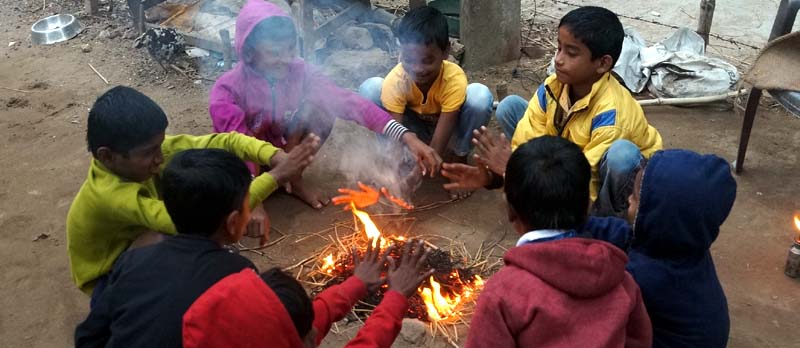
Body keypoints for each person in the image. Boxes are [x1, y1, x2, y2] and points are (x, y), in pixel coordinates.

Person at [66, 86, 316, 302]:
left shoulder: (145, 152)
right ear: (107, 156)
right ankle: (138, 303)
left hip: (136, 243)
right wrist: (275, 177)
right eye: (149, 153)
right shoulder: (109, 195)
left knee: (195, 238)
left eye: (160, 146)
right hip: (105, 280)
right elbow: (193, 223)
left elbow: (226, 142)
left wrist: (273, 156)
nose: (160, 158)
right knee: (189, 242)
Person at [464, 136, 652, 348]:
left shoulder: (504, 290)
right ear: (587, 206)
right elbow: (640, 345)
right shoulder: (618, 273)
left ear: (510, 212)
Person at [74, 149, 267, 348]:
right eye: (246, 206)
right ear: (232, 223)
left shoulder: (132, 260)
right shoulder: (239, 274)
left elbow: (87, 343)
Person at [209, 0, 440, 208]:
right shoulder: (227, 90)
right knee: (231, 155)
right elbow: (240, 143)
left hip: (283, 155)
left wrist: (407, 137)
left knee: (322, 110)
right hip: (244, 167)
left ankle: (293, 179)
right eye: (275, 53)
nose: (287, 59)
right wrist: (253, 201)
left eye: (291, 49)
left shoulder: (298, 70)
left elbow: (348, 102)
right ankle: (259, 188)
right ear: (248, 53)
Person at [442, 6, 662, 217]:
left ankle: (604, 221)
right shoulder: (552, 86)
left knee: (621, 156)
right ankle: (545, 193)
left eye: (571, 53)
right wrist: (505, 175)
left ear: (603, 63)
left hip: (617, 176)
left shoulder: (612, 114)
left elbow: (587, 177)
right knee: (510, 107)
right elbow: (527, 137)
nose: (558, 59)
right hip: (571, 152)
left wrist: (514, 173)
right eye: (559, 48)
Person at [182, 240, 434, 348]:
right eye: (306, 336)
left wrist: (354, 286)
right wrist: (396, 297)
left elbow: (286, 322)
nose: (316, 335)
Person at [584, 149, 735, 348]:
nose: (628, 202)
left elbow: (579, 285)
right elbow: (624, 232)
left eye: (633, 198)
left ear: (657, 214)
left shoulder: (645, 276)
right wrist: (580, 222)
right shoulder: (682, 243)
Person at [358, 6, 494, 166]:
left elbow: (439, 141)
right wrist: (394, 174)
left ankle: (459, 157)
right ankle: (393, 159)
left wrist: (427, 164)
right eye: (409, 60)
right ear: (400, 52)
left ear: (445, 51)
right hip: (413, 132)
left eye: (427, 60)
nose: (418, 69)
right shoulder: (396, 80)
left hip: (447, 132)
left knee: (480, 96)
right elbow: (394, 127)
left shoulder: (452, 78)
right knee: (370, 89)